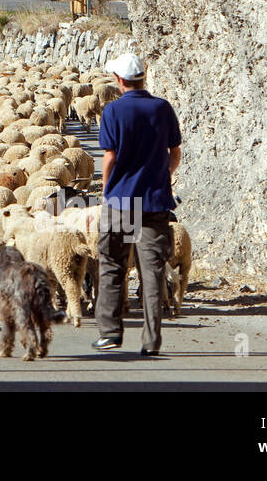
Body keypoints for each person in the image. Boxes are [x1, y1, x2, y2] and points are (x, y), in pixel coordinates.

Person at [91, 53, 181, 357]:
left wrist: (106, 187)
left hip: (120, 202)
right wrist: (162, 175)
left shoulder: (113, 111)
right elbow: (175, 151)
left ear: (119, 80)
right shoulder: (162, 108)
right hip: (155, 203)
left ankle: (110, 334)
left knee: (113, 265)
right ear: (143, 76)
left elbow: (110, 156)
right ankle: (151, 341)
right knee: (152, 271)